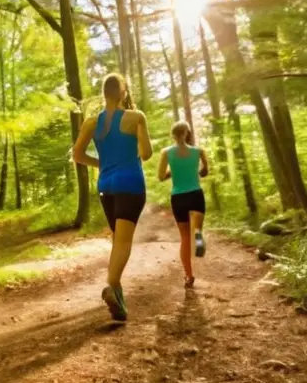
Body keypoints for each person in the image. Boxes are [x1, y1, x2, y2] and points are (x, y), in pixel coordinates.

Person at [73, 73, 153, 321]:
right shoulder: (136, 117)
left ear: (103, 93)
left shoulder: (90, 122)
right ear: (123, 93)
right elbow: (147, 153)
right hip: (130, 183)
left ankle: (118, 297)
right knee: (123, 243)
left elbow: (77, 155)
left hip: (106, 185)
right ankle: (111, 286)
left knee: (118, 240)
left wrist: (102, 163)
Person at [157, 120, 209, 289]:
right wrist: (194, 169)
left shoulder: (166, 153)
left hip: (178, 196)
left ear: (173, 135)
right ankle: (199, 236)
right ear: (187, 133)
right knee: (197, 229)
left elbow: (161, 177)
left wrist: (174, 171)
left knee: (184, 238)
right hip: (195, 194)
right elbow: (204, 172)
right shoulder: (199, 151)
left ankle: (188, 275)